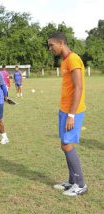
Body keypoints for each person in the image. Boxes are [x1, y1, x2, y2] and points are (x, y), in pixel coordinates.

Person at [48, 32, 87, 196]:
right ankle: (71, 181)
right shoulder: (64, 61)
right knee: (64, 144)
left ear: (61, 43)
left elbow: (78, 87)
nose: (50, 48)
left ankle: (81, 184)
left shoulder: (73, 59)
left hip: (73, 111)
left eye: (52, 45)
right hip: (64, 109)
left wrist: (71, 115)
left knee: (67, 145)